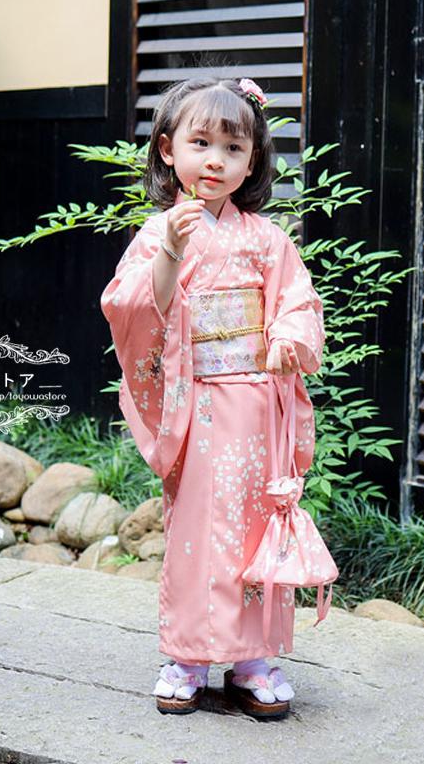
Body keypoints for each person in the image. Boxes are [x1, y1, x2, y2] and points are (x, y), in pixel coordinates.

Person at [99, 76, 325, 717]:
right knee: (197, 529)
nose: (216, 160)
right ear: (169, 150)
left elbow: (297, 302)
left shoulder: (267, 237)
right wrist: (170, 247)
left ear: (252, 160)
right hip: (195, 406)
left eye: (233, 147)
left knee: (258, 529)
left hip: (257, 407)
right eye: (201, 143)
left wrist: (285, 337)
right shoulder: (160, 232)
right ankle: (189, 656)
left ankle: (253, 659)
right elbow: (133, 305)